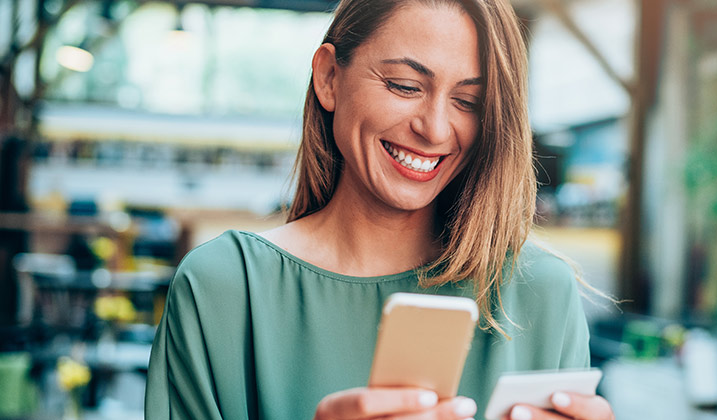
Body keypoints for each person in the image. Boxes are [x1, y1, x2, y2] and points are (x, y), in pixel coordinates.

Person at [145, 0, 616, 419]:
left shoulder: (540, 293)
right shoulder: (225, 287)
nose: (435, 129)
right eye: (405, 86)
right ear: (329, 78)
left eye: (467, 101)